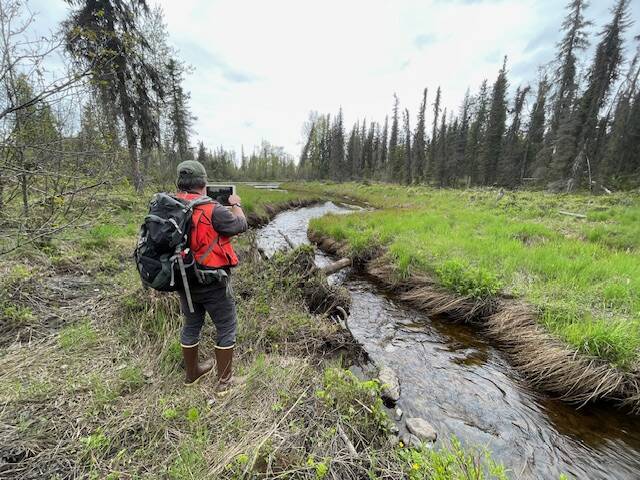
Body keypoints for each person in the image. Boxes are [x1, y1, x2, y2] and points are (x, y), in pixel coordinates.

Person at [174, 160, 247, 392]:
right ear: (204, 184)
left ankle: (192, 374)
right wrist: (235, 205)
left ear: (180, 183)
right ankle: (224, 383)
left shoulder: (172, 205)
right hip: (211, 281)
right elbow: (240, 225)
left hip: (183, 280)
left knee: (192, 323)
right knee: (226, 326)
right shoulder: (213, 209)